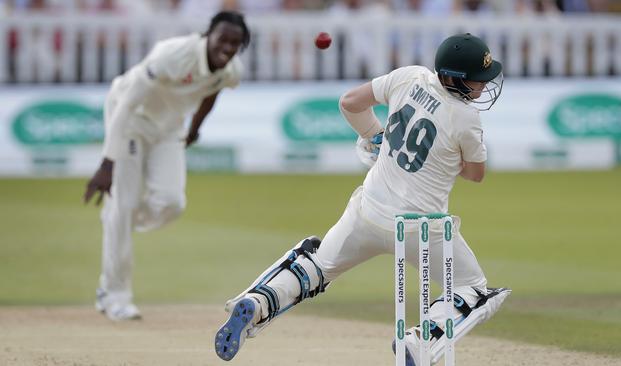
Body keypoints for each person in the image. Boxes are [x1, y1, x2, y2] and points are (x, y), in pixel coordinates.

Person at [214, 33, 511, 365]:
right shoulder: (466, 117)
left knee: (317, 267)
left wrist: (376, 137)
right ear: (456, 79)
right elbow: (475, 173)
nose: (483, 87)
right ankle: (421, 341)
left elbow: (350, 103)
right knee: (473, 287)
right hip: (420, 229)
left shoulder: (409, 76)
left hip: (368, 212)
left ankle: (258, 302)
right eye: (477, 80)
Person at [83, 11, 250, 321]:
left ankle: (121, 216)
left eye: (234, 44)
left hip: (170, 127)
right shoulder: (172, 55)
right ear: (207, 36)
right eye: (222, 40)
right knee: (124, 205)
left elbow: (213, 90)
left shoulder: (231, 70)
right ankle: (114, 296)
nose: (227, 48)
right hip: (131, 119)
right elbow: (127, 104)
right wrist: (107, 163)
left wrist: (195, 127)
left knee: (171, 203)